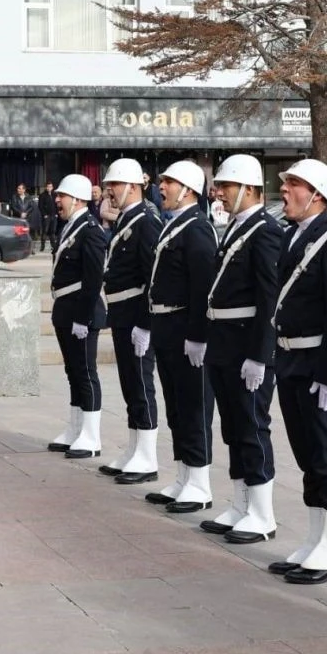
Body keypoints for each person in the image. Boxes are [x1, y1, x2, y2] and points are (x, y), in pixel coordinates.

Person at [269, 158, 327, 585]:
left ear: (318, 196)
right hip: (291, 359)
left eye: (294, 185)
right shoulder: (294, 236)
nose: (284, 191)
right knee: (307, 454)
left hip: (321, 363)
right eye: (285, 183)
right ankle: (314, 538)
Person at [199, 155, 283, 540]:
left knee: (251, 425)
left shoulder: (265, 231)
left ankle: (262, 512)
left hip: (246, 342)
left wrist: (260, 354)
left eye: (226, 187)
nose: (218, 192)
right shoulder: (235, 228)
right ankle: (240, 501)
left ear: (248, 189)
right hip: (224, 341)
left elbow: (269, 297)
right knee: (232, 426)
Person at [145, 161, 218, 512]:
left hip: (185, 330)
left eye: (168, 183)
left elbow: (203, 286)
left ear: (188, 190)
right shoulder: (175, 225)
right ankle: (183, 474)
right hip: (166, 328)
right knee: (176, 406)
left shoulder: (198, 229)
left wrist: (198, 335)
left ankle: (200, 482)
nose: (161, 188)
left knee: (193, 407)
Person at [97, 158, 163, 484]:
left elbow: (154, 276)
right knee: (129, 385)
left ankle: (147, 456)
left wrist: (146, 323)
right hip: (122, 313)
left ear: (133, 187)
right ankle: (135, 447)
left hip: (136, 315)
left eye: (115, 185)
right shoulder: (128, 220)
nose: (109, 191)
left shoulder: (146, 221)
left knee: (140, 385)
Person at [46, 174, 106, 459]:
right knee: (73, 373)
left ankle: (91, 436)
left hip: (82, 313)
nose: (58, 200)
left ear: (78, 199)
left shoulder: (90, 229)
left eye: (63, 196)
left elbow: (94, 279)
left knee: (85, 373)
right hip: (65, 310)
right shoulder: (71, 226)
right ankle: (75, 428)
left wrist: (83, 318)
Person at [39, 182, 57, 253]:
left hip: (54, 215)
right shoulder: (42, 195)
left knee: (53, 232)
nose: (49, 188)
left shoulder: (55, 195)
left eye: (50, 186)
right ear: (46, 187)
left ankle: (53, 246)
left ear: (52, 187)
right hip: (46, 216)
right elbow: (40, 206)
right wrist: (44, 215)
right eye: (48, 186)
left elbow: (57, 204)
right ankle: (42, 246)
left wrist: (56, 213)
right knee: (45, 231)